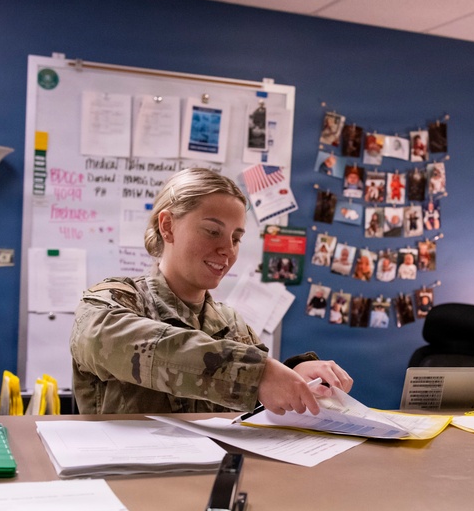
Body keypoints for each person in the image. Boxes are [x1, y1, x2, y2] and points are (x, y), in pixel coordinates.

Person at [71, 167, 352, 416]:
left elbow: (255, 405)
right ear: (168, 226)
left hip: (216, 474)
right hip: (126, 475)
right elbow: (111, 344)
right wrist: (256, 374)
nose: (228, 250)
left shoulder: (233, 326)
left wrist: (298, 378)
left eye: (237, 238)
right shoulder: (110, 303)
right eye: (212, 231)